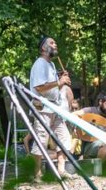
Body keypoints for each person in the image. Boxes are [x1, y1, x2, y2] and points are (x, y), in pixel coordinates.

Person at [29, 37, 73, 179]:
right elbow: (39, 87)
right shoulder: (39, 64)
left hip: (54, 108)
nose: (55, 45)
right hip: (43, 107)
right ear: (43, 48)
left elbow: (53, 87)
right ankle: (37, 174)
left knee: (64, 138)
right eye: (52, 43)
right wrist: (59, 81)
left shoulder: (51, 65)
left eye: (55, 42)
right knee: (41, 140)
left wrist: (60, 81)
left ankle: (61, 171)